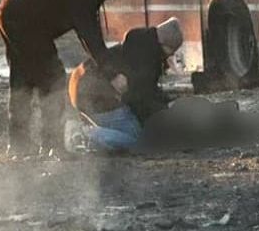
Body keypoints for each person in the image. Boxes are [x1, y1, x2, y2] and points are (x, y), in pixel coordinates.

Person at [0, 0, 128, 157]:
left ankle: (19, 145)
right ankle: (52, 144)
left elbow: (89, 34)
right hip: (26, 22)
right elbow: (90, 35)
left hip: (9, 11)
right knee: (52, 79)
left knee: (22, 80)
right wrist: (112, 75)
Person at [68, 17, 183, 151]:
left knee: (125, 131)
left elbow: (143, 90)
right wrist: (165, 108)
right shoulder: (147, 58)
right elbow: (138, 97)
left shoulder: (140, 46)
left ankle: (86, 132)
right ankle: (85, 135)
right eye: (171, 51)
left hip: (81, 88)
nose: (169, 56)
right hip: (98, 96)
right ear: (163, 44)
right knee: (136, 140)